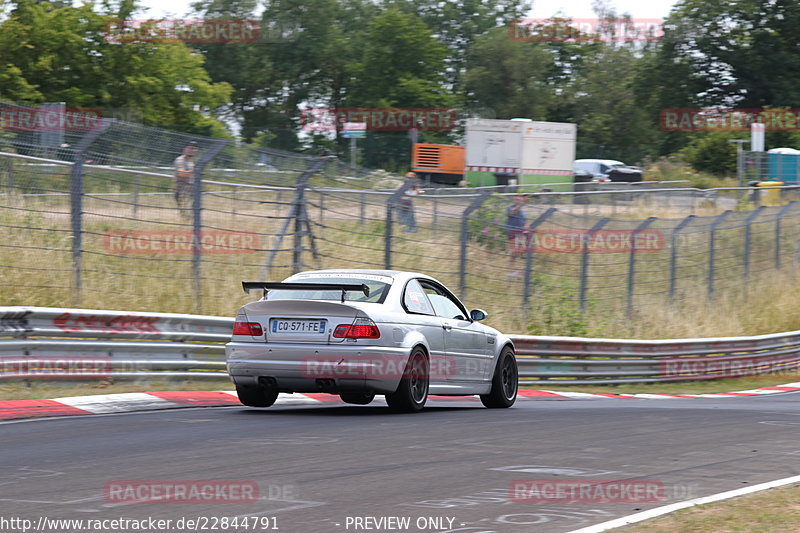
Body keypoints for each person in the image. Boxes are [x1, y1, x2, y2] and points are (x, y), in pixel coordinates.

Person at [506, 194, 529, 273]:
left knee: (520, 251)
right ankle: (512, 268)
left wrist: (527, 228)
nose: (518, 201)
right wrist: (522, 203)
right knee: (515, 251)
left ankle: (517, 269)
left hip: (521, 233)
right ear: (513, 200)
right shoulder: (509, 208)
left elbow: (524, 221)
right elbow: (514, 211)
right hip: (513, 232)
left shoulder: (522, 211)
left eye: (519, 200)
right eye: (517, 199)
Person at [174, 141, 197, 214]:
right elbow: (181, 173)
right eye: (190, 148)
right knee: (186, 215)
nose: (192, 150)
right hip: (182, 192)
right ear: (184, 149)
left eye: (194, 149)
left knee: (190, 215)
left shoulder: (190, 161)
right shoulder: (180, 160)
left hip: (190, 192)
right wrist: (194, 171)